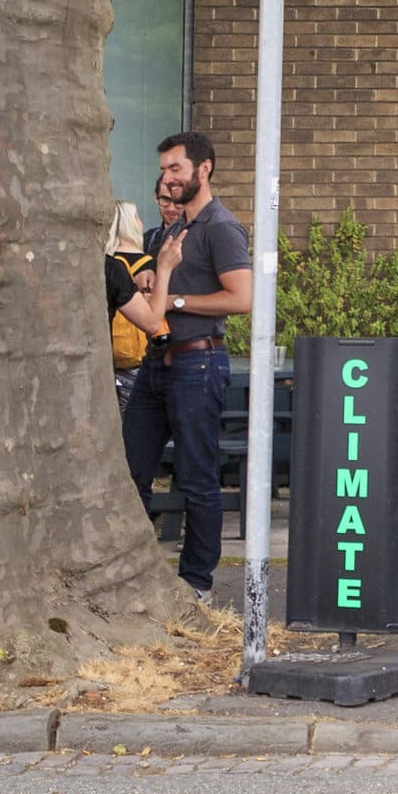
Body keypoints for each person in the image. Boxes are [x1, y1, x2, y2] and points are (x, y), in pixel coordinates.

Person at [125, 130, 250, 602]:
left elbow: (242, 299)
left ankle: (196, 584)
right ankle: (137, 573)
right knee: (130, 469)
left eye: (175, 168)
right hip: (155, 364)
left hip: (198, 363)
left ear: (204, 169)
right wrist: (155, 278)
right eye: (163, 170)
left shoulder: (221, 227)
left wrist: (172, 297)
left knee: (197, 476)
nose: (167, 178)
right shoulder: (173, 230)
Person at [104, 201, 166, 400]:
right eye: (137, 217)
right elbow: (152, 322)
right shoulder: (146, 264)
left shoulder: (103, 262)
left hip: (108, 358)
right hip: (135, 358)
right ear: (129, 223)